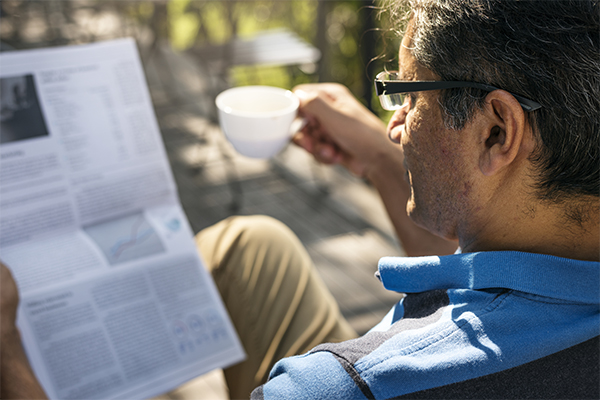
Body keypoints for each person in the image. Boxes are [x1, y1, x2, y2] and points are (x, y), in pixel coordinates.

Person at [1, 0, 598, 399]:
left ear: (497, 130)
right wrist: (381, 162)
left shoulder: (338, 387)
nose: (395, 126)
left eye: (407, 96)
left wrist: (8, 356)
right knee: (252, 246)